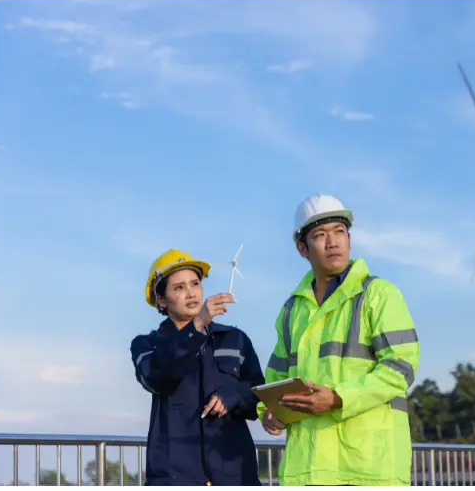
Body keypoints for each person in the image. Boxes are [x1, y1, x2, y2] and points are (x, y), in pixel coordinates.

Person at [256, 194, 421, 486]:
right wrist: (269, 413)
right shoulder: (292, 310)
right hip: (307, 470)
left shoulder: (379, 294)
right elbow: (276, 378)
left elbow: (400, 367)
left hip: (367, 467)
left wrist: (337, 398)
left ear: (349, 239)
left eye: (340, 232)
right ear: (302, 249)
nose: (333, 242)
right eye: (320, 235)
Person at [130, 248, 266, 486]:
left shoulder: (236, 339)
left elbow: (259, 396)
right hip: (175, 480)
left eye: (195, 284)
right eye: (178, 288)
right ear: (161, 299)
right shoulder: (147, 345)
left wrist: (231, 395)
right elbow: (158, 379)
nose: (191, 293)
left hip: (235, 478)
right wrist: (197, 326)